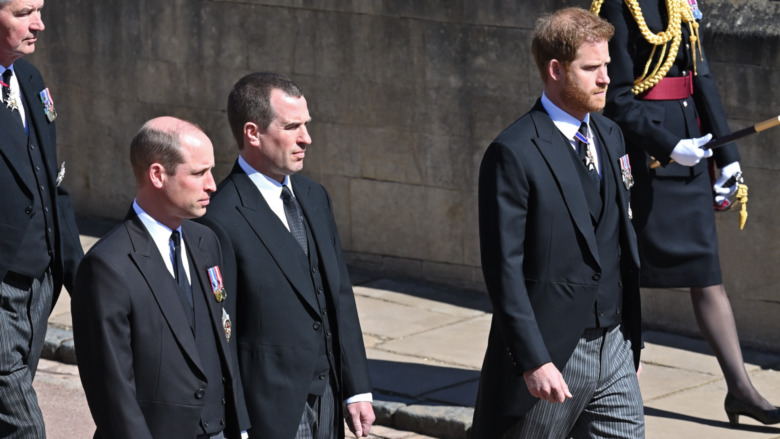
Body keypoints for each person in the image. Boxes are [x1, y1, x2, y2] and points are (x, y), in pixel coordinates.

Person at [592, 0, 780, 427]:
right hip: (646, 157)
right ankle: (615, 392)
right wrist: (667, 145)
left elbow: (701, 79)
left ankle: (741, 390)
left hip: (692, 150)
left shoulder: (679, 3)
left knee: (706, 273)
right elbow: (615, 98)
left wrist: (728, 158)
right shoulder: (621, 8)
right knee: (627, 277)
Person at [470, 8, 644, 438]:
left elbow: (619, 237)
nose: (606, 78)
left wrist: (628, 343)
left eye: (607, 65)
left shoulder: (611, 135)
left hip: (615, 345)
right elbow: (503, 269)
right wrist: (533, 359)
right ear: (555, 70)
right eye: (591, 69)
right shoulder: (513, 153)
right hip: (553, 353)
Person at [198, 72, 375, 438]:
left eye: (306, 125)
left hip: (329, 396)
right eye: (292, 127)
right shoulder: (220, 218)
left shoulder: (314, 196)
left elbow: (338, 295)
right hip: (271, 410)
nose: (306, 138)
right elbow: (219, 333)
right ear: (252, 133)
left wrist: (356, 387)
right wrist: (237, 423)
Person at [72, 117, 250, 439]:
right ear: (157, 174)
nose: (212, 184)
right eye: (199, 173)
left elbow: (222, 346)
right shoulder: (108, 267)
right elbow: (113, 393)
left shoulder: (206, 242)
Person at [0, 0, 83, 437]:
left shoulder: (29, 79)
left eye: (40, 9)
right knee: (23, 426)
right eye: (23, 12)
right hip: (2, 287)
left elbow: (53, 187)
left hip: (39, 285)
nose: (40, 24)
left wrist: (79, 278)